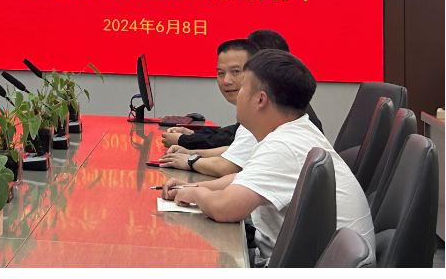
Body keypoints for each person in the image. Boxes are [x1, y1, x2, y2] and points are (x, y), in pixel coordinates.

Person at [160, 49, 374, 266]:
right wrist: (192, 187)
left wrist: (194, 195)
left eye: (243, 86)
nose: (238, 93)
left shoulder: (283, 145)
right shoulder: (297, 130)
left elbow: (225, 208)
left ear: (260, 99)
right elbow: (243, 179)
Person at [159, 39, 259, 177]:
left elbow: (228, 167)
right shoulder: (248, 117)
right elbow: (235, 149)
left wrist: (189, 160)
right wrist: (191, 152)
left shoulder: (260, 116)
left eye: (235, 71)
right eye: (221, 73)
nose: (226, 81)